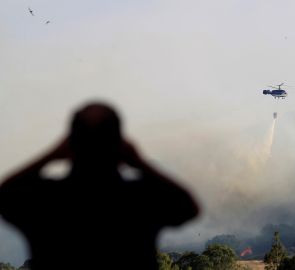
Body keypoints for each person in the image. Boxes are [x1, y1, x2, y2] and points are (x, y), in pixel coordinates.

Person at [0, 102, 199, 270]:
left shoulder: (45, 199)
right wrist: (139, 161)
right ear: (120, 144)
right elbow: (188, 206)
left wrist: (52, 155)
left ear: (71, 143)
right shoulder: (141, 198)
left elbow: (5, 195)